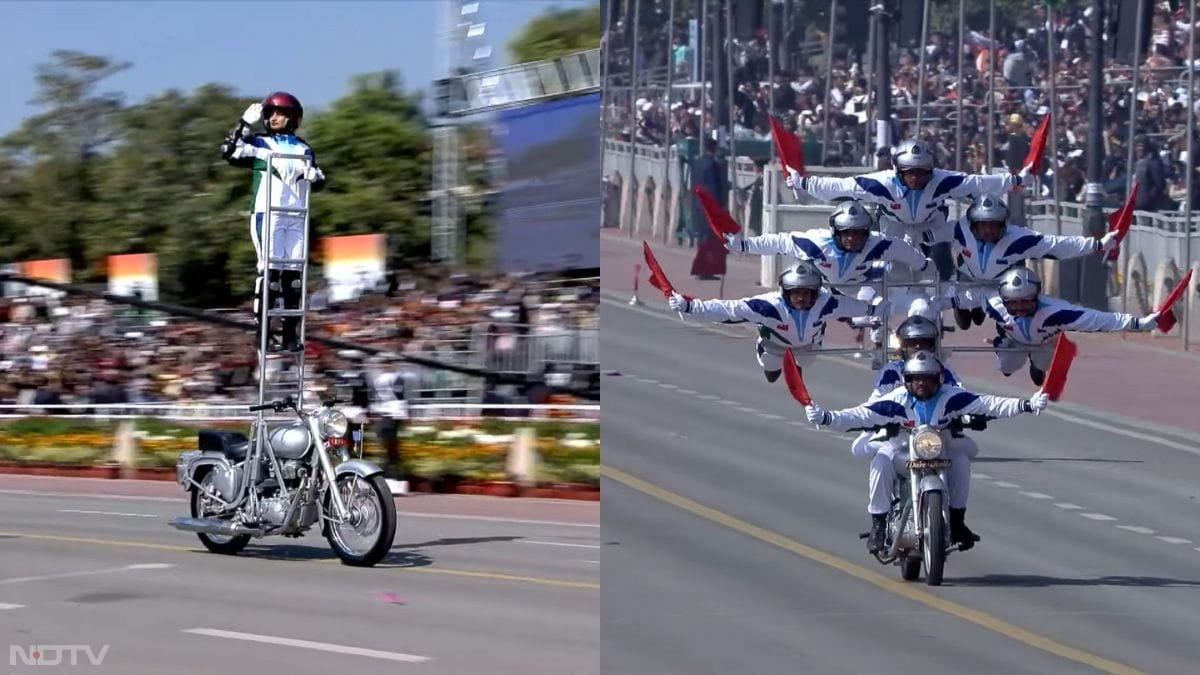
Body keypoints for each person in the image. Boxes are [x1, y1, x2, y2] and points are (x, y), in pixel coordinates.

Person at [804, 351, 1050, 552]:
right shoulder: (895, 400)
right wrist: (826, 417)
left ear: (938, 379)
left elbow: (988, 404)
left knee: (961, 461)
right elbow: (860, 414)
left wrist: (1026, 404)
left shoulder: (951, 397)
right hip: (902, 445)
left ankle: (957, 521)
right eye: (916, 378)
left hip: (936, 445)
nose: (922, 383)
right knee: (880, 461)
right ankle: (878, 523)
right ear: (907, 380)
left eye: (928, 378)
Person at [221, 92, 326, 353]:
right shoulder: (259, 143)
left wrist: (315, 176)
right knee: (269, 274)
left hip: (296, 216)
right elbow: (230, 151)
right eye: (270, 113)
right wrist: (243, 124)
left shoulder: (303, 148)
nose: (273, 117)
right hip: (268, 214)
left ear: (293, 117)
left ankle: (291, 334)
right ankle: (264, 334)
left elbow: (320, 177)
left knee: (293, 277)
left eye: (280, 113)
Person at [785, 139, 1028, 247]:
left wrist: (1015, 180)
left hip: (932, 224)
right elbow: (841, 186)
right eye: (909, 173)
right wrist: (804, 183)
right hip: (894, 225)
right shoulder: (882, 183)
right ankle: (877, 324)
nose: (916, 178)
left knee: (938, 263)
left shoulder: (943, 180)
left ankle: (958, 296)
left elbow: (977, 183)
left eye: (922, 173)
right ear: (897, 171)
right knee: (890, 265)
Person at [667, 260, 878, 383]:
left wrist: (877, 313)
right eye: (796, 293)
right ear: (785, 292)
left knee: (804, 362)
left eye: (807, 293)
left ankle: (799, 356)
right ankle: (764, 343)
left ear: (815, 292)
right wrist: (691, 306)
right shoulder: (769, 306)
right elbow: (729, 310)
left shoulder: (824, 301)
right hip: (775, 344)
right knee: (772, 374)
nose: (802, 298)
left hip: (809, 345)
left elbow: (854, 307)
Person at [927, 195, 1119, 329]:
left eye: (994, 226)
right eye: (983, 226)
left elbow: (1057, 245)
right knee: (966, 321)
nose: (988, 231)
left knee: (1008, 320)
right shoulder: (959, 230)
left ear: (1003, 224)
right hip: (966, 282)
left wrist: (1097, 244)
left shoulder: (1018, 238)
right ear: (973, 225)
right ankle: (967, 303)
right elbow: (925, 233)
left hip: (1001, 287)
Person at [985, 267, 1161, 385]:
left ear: (1036, 296)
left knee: (1041, 371)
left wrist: (1139, 323)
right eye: (1014, 304)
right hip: (1015, 341)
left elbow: (1098, 319)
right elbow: (963, 299)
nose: (1020, 308)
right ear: (1004, 299)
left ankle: (1036, 363)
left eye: (1026, 302)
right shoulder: (994, 305)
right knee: (1007, 369)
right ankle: (1002, 345)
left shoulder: (1056, 312)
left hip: (1043, 342)